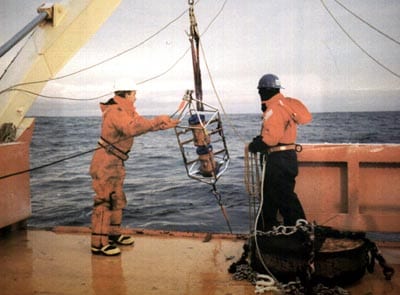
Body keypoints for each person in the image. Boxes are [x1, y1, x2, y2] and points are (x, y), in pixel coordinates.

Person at [90, 78, 179, 256]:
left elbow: (141, 125)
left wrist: (163, 125)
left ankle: (113, 235)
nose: (136, 98)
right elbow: (131, 128)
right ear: (127, 93)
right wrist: (156, 120)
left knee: (117, 198)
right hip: (105, 161)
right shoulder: (115, 110)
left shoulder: (126, 110)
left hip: (115, 161)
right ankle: (98, 244)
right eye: (134, 94)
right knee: (104, 200)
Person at [249, 73, 312, 231]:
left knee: (284, 198)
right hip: (288, 157)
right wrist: (262, 138)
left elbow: (271, 139)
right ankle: (265, 232)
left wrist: (256, 145)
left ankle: (300, 233)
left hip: (278, 159)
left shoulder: (274, 109)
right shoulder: (285, 105)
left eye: (260, 92)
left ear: (263, 91)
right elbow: (278, 132)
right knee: (270, 197)